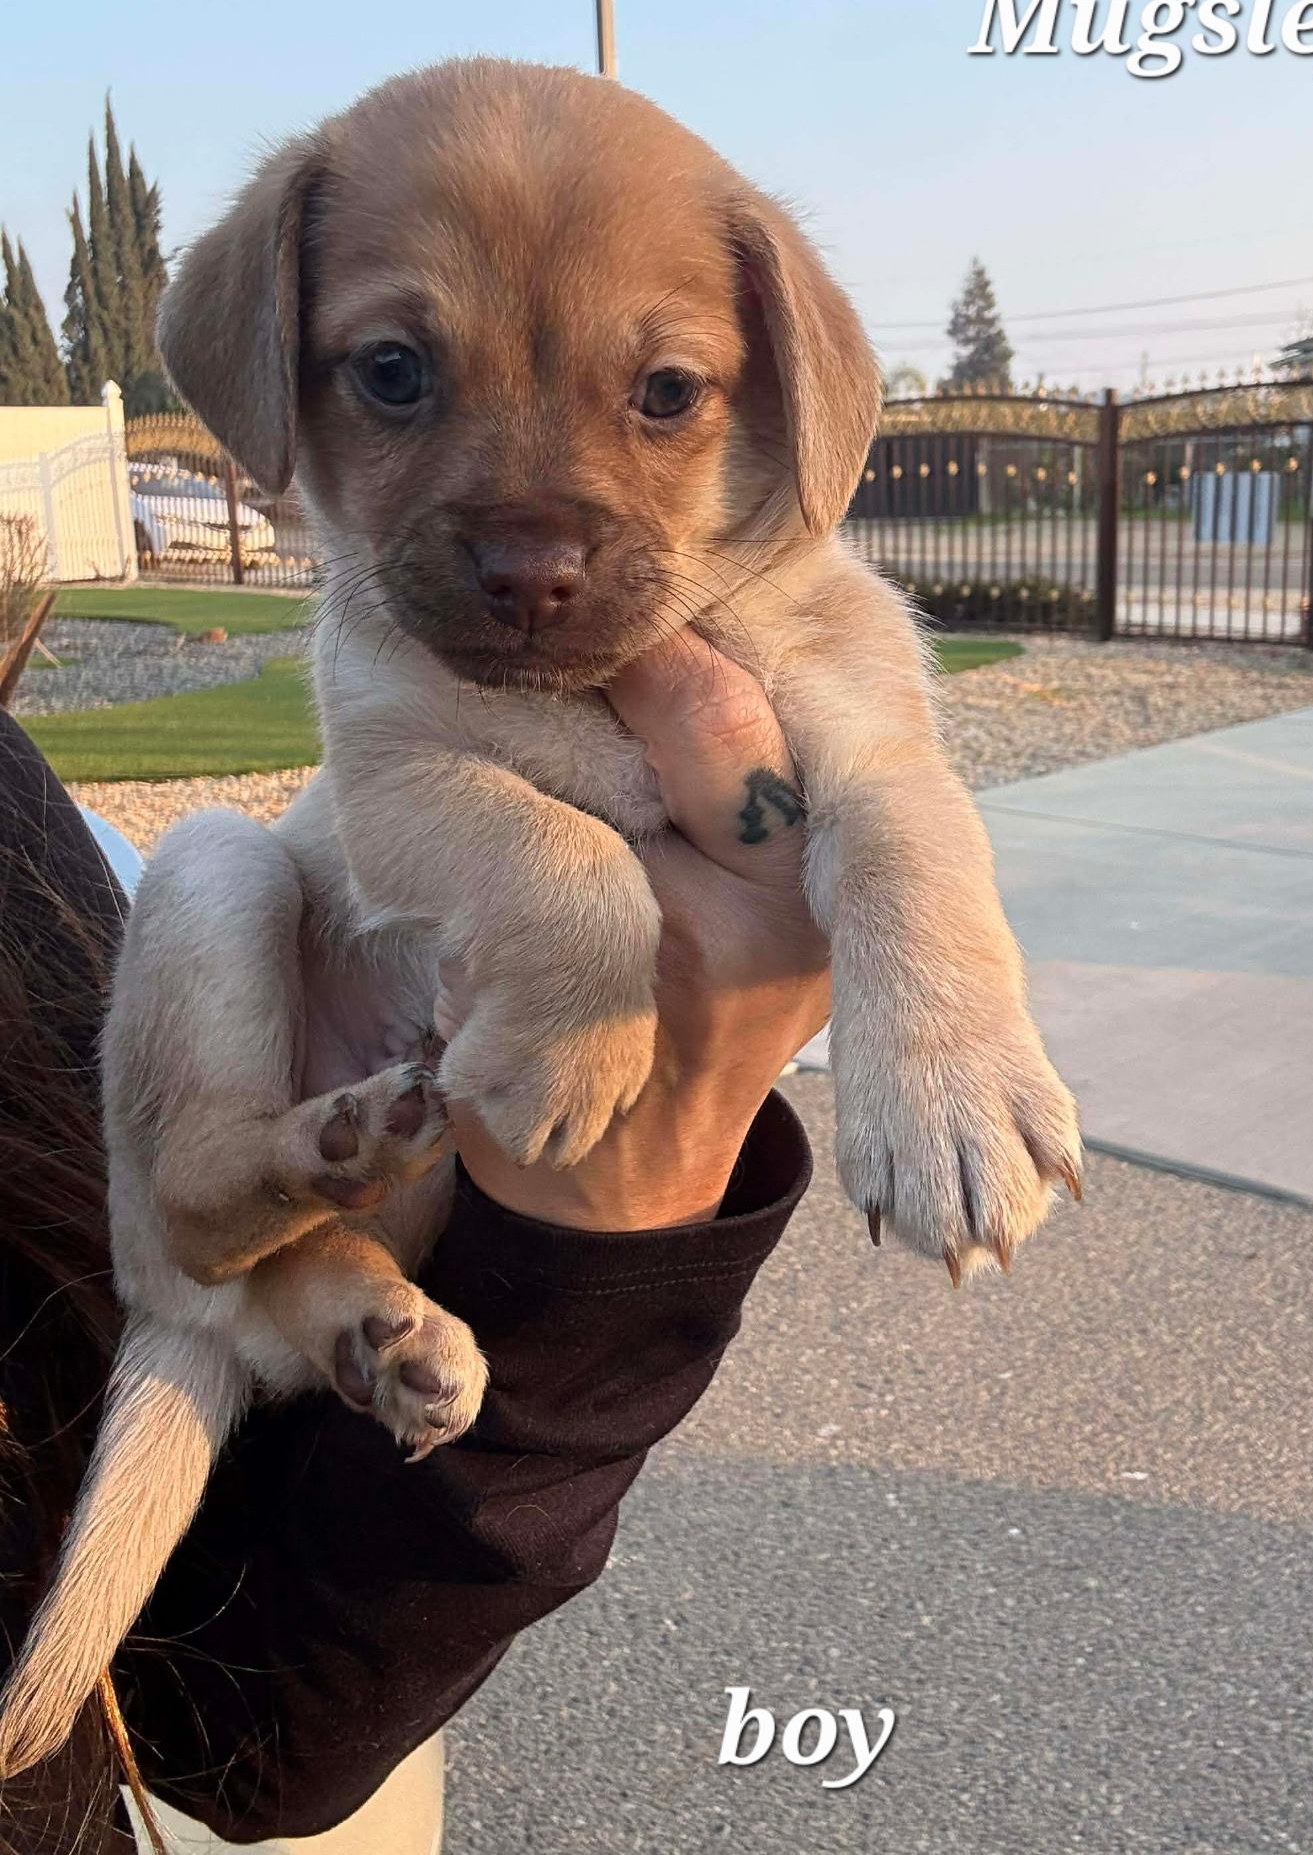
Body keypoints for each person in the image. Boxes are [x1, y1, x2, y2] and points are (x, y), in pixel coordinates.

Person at [0, 630, 829, 1855]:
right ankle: (299, 1243)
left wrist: (620, 1210)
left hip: (335, 1244)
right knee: (220, 864)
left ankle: (314, 1265)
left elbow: (255, 1717)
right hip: (308, 1163)